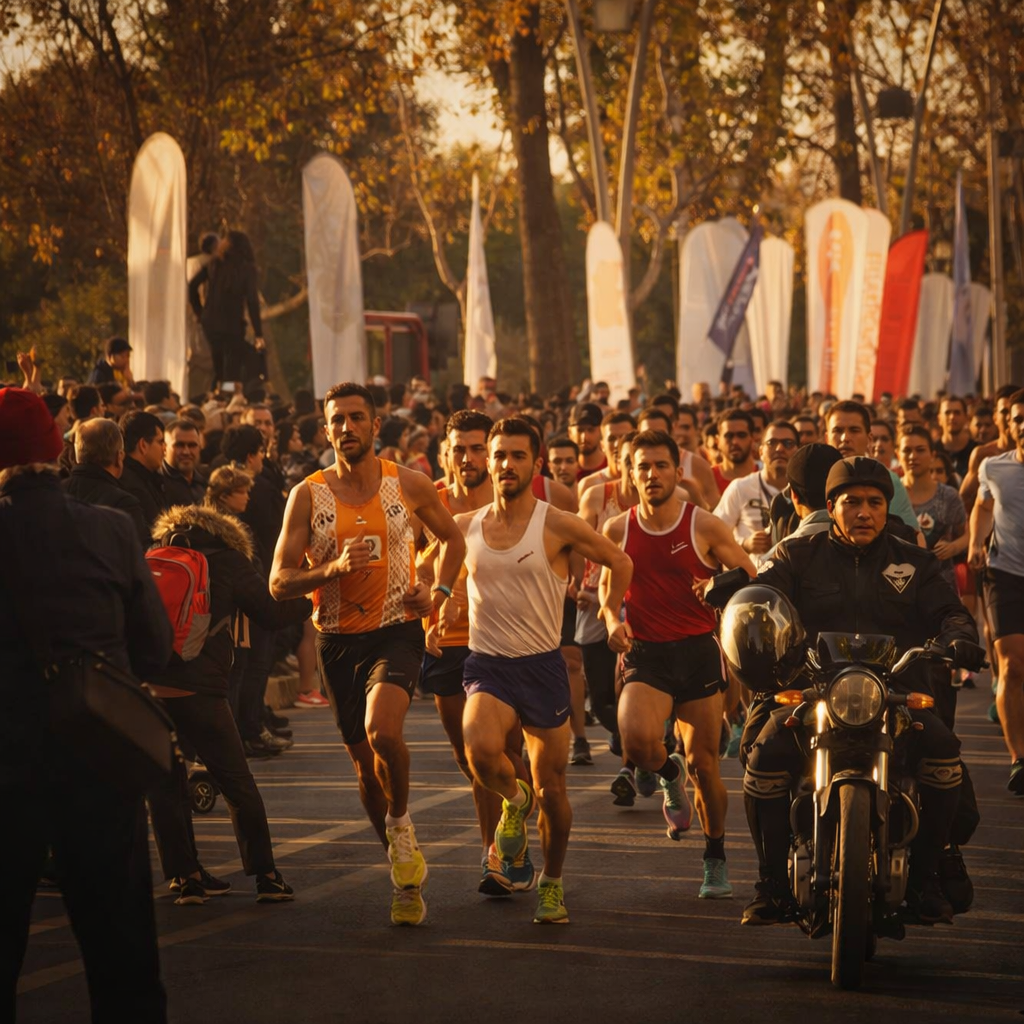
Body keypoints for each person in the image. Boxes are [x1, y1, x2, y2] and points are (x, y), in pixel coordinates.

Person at [742, 457, 980, 926]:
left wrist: (959, 637)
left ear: (887, 508)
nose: (863, 512)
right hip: (813, 691)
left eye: (874, 502)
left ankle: (925, 879)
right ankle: (770, 885)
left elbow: (950, 612)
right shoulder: (796, 556)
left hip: (894, 693)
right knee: (764, 755)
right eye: (851, 502)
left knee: (943, 754)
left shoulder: (914, 562)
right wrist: (744, 609)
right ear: (831, 507)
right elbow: (762, 593)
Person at [1, 387, 173, 1022]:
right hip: (99, 754)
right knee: (121, 953)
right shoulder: (111, 527)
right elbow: (154, 648)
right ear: (55, 451)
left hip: (8, 764)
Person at [270, 382, 465, 926]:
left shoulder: (410, 483)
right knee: (363, 765)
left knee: (384, 732)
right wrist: (328, 570)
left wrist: (438, 593)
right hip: (336, 640)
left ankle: (401, 825)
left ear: (376, 425)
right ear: (326, 428)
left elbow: (453, 541)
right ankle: (401, 871)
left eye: (357, 418)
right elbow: (278, 581)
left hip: (396, 630)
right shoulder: (307, 495)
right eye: (338, 420)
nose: (347, 427)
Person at [456, 417, 633, 923]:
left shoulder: (556, 523)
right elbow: (431, 566)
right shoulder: (467, 525)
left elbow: (620, 562)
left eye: (517, 456)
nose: (506, 464)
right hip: (488, 663)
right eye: (498, 456)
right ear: (486, 463)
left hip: (542, 666)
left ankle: (552, 885)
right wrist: (434, 599)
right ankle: (514, 800)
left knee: (554, 789)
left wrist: (608, 611)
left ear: (535, 464)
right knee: (480, 751)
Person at [602, 429, 755, 899]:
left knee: (705, 766)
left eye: (661, 465)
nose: (651, 474)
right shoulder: (617, 529)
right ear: (630, 473)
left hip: (696, 652)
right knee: (637, 742)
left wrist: (715, 588)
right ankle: (666, 775)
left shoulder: (703, 525)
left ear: (677, 471)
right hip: (646, 652)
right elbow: (609, 600)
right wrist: (612, 623)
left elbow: (749, 577)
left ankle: (715, 857)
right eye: (642, 466)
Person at [145, 502, 312, 906]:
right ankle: (267, 876)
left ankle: (186, 879)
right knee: (236, 782)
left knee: (167, 787)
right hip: (202, 690)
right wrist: (313, 597)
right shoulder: (229, 561)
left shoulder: (151, 556)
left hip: (152, 690)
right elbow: (271, 613)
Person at [416, 410, 534, 895]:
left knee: (501, 749)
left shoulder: (512, 499)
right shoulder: (431, 502)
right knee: (471, 759)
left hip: (503, 641)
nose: (467, 458)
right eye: (457, 449)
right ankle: (508, 825)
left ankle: (501, 854)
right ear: (445, 453)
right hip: (446, 642)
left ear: (491, 453)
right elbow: (416, 569)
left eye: (475, 448)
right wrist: (429, 599)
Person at [968, 388, 1024, 795]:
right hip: (1005, 572)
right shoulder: (994, 466)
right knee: (1012, 665)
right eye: (1018, 418)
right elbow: (983, 507)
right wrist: (975, 542)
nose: (1023, 424)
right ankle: (1019, 758)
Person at [825, 400, 923, 543]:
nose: (845, 438)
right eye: (837, 431)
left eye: (854, 430)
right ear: (827, 438)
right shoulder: (814, 478)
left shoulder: (889, 480)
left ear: (869, 439)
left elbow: (916, 539)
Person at [187, 229, 266, 385]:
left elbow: (192, 286)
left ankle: (219, 395)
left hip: (210, 323)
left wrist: (200, 312)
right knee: (231, 368)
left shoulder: (214, 264)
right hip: (232, 324)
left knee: (219, 365)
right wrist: (258, 333)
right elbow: (252, 302)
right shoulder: (247, 269)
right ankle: (227, 397)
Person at [714, 420, 799, 562]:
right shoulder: (740, 488)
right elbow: (714, 537)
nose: (779, 448)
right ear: (760, 451)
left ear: (798, 451)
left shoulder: (804, 490)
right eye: (772, 443)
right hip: (751, 579)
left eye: (788, 443)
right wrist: (745, 545)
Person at [898, 425, 967, 592]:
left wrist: (954, 547)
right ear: (897, 454)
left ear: (932, 454)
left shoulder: (948, 496)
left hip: (943, 587)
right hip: (900, 588)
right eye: (907, 450)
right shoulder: (889, 495)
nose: (913, 456)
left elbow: (967, 533)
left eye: (920, 450)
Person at [63, 417, 149, 547]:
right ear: (119, 456)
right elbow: (137, 557)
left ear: (77, 455)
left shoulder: (53, 493)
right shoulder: (123, 504)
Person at [119, 409, 169, 537]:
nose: (165, 448)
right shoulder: (132, 484)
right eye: (160, 442)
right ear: (143, 445)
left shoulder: (148, 478)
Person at [162, 417, 207, 507]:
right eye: (179, 445)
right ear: (164, 448)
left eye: (192, 445)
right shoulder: (156, 484)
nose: (186, 452)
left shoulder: (205, 481)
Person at [711, 409, 758, 495]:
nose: (735, 442)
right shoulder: (708, 478)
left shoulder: (766, 475)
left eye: (741, 435)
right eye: (728, 436)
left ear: (752, 439)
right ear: (717, 441)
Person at [938, 396, 976, 481]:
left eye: (957, 413)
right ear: (939, 419)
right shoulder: (931, 451)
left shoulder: (977, 450)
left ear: (966, 418)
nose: (952, 417)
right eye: (947, 413)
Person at [568, 402, 607, 479]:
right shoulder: (565, 471)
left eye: (591, 430)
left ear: (601, 431)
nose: (585, 437)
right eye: (580, 430)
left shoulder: (611, 467)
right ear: (570, 432)